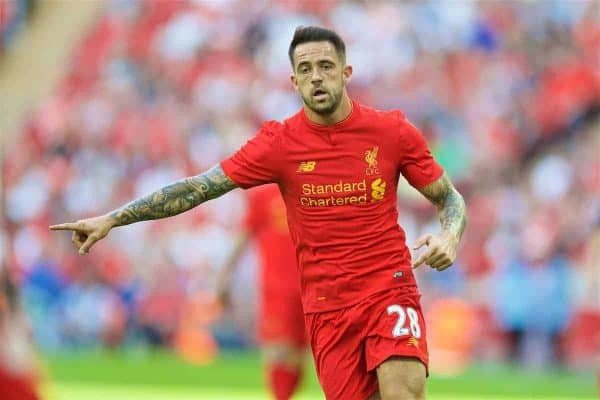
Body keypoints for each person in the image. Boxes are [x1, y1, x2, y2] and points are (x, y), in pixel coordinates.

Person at [50, 26, 467, 400]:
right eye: (305, 69)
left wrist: (450, 235)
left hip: (388, 288)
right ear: (293, 80)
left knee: (403, 393)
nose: (316, 76)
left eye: (326, 65)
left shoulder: (391, 132)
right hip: (328, 308)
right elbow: (198, 188)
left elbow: (449, 199)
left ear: (346, 72)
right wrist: (113, 218)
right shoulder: (279, 144)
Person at [216, 184, 307, 400]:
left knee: (298, 356)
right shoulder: (264, 196)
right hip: (276, 290)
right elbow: (244, 236)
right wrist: (225, 275)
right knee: (278, 351)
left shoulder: (311, 187)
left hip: (314, 287)